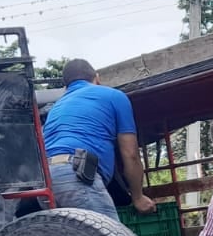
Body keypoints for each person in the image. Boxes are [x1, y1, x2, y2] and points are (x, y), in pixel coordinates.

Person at [42, 58, 155, 220]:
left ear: (66, 87)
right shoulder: (113, 96)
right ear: (97, 78)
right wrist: (138, 197)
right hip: (75, 175)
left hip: (45, 181)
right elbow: (130, 154)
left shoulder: (56, 107)